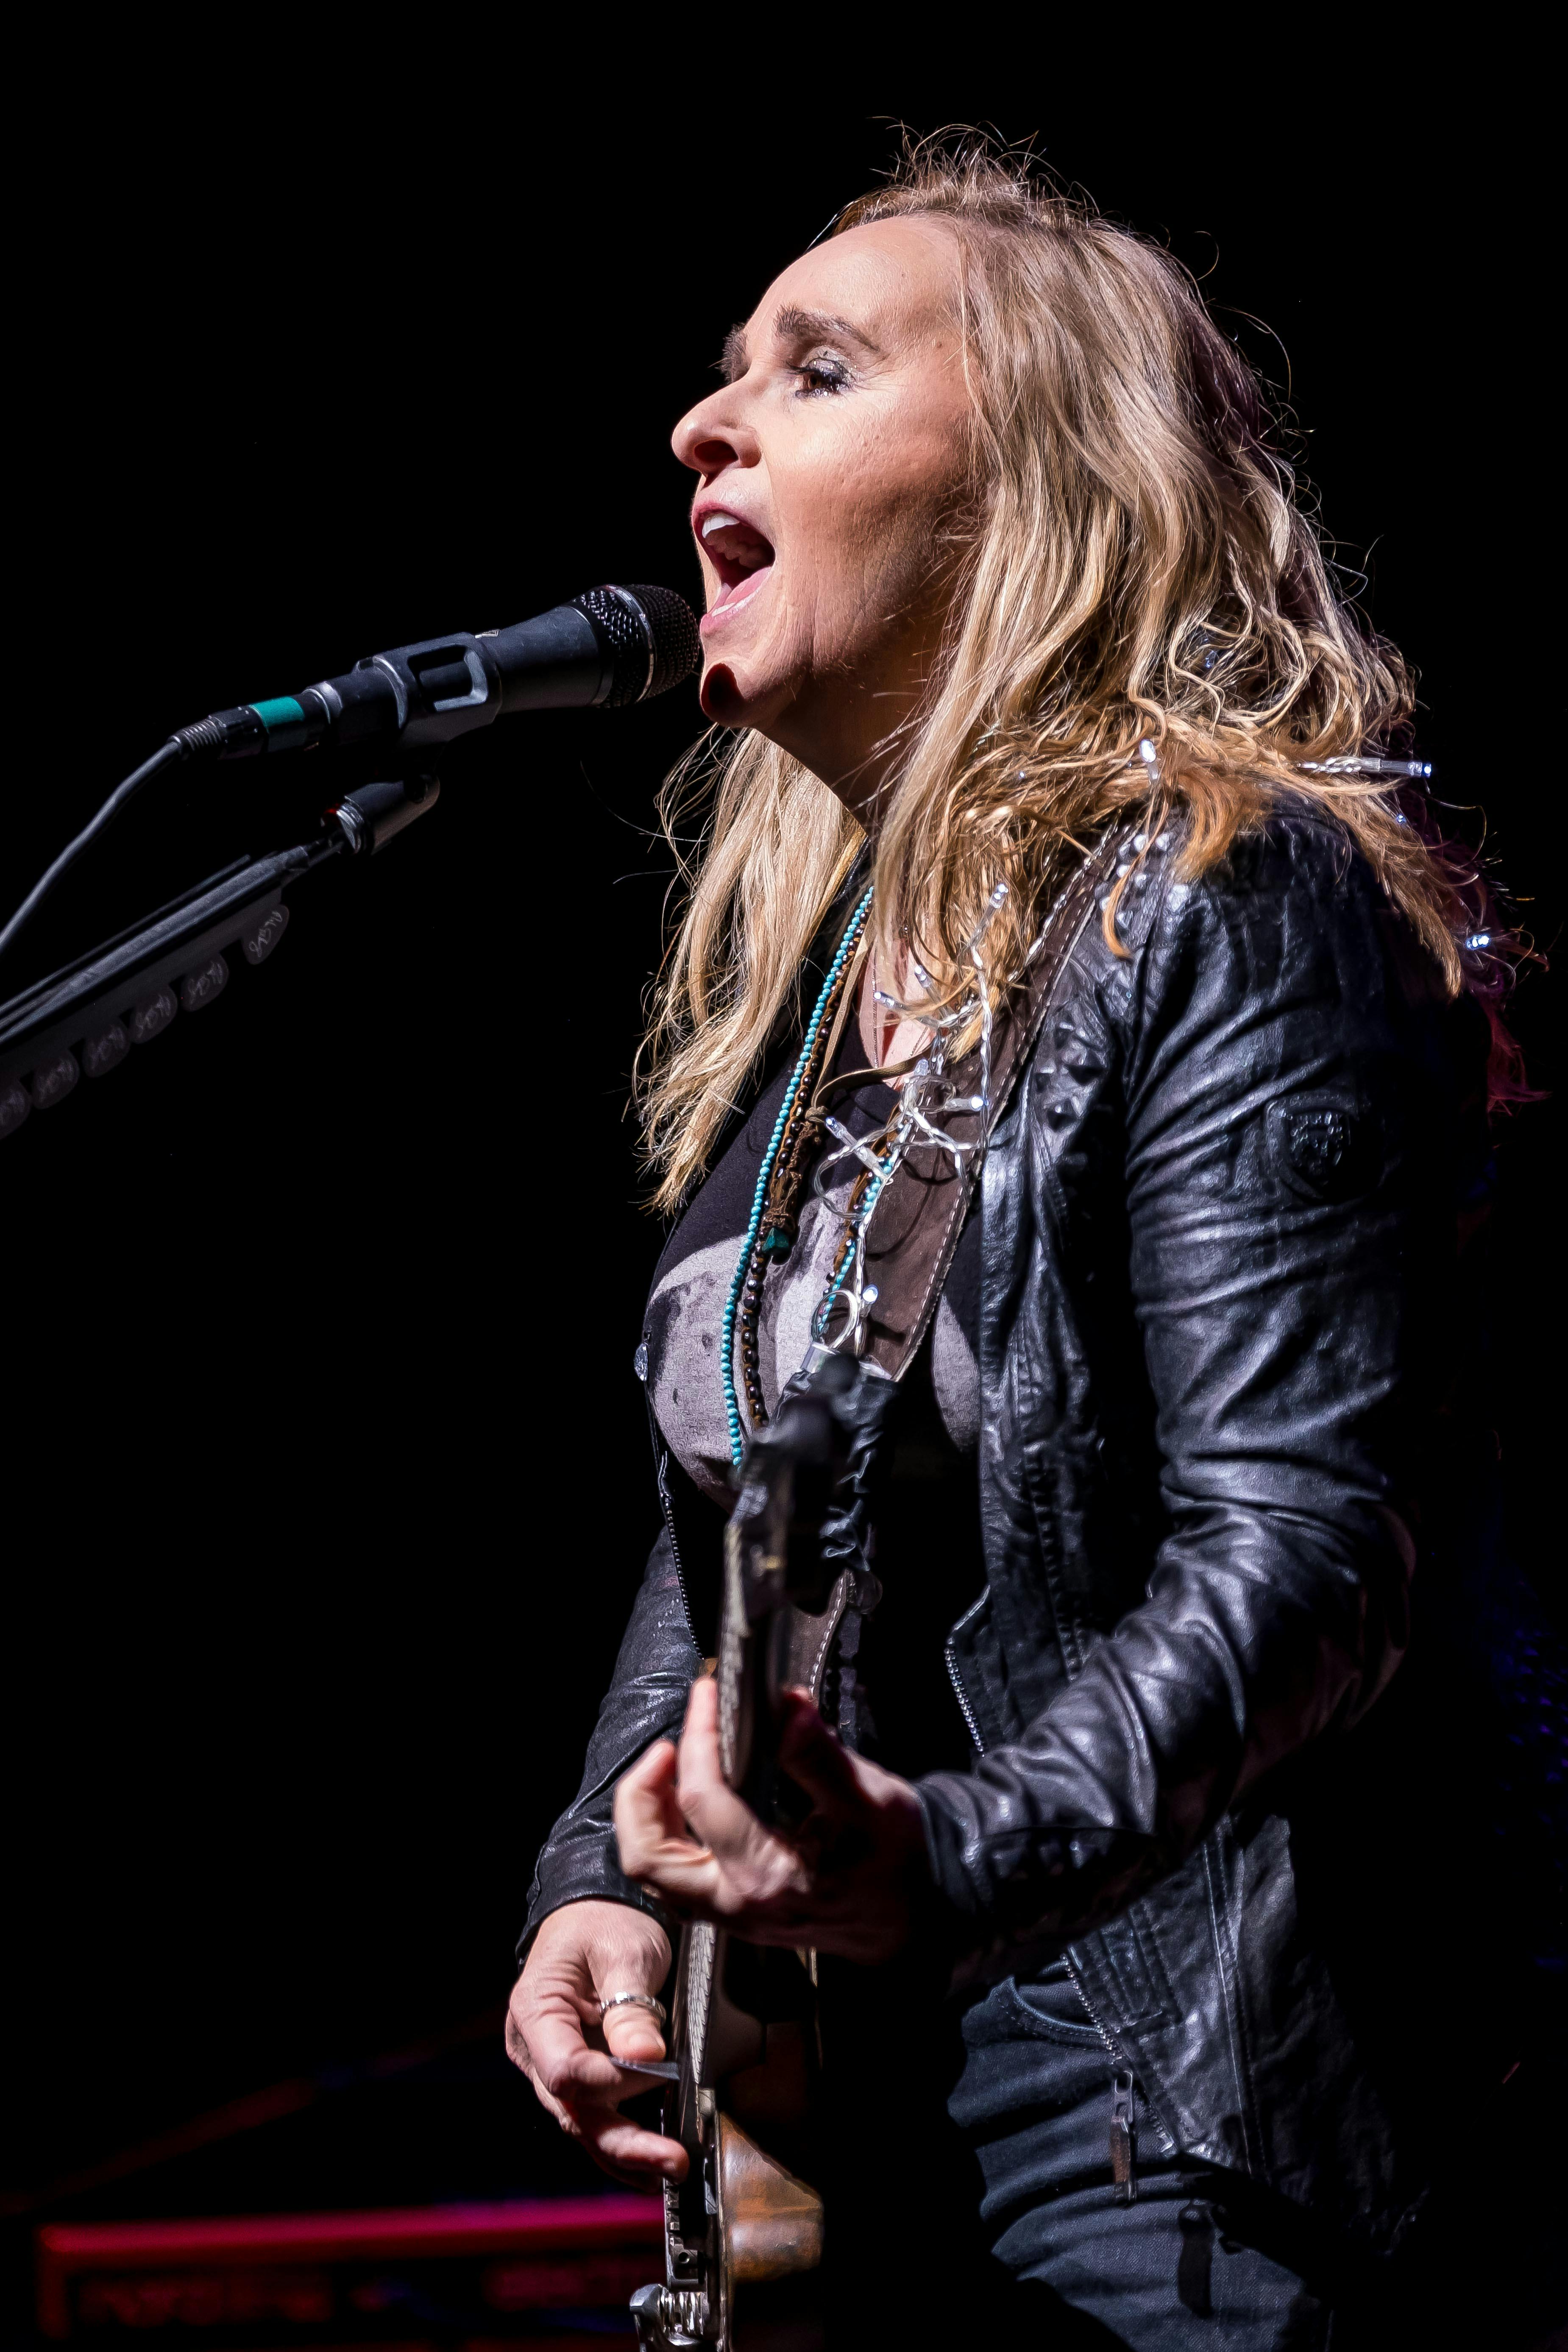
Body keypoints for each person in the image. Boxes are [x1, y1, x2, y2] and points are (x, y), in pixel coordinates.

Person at [506, 142, 1544, 2346]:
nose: (701, 427)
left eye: (815, 369)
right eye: (723, 372)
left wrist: (942, 1856)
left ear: (1034, 494)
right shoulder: (829, 1014)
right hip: (865, 2117)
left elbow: (1309, 1551)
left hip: (1177, 2106)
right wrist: (606, 1869)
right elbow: (742, 1516)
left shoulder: (1230, 893)